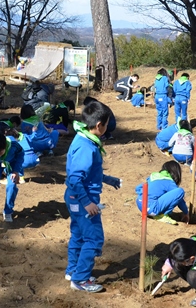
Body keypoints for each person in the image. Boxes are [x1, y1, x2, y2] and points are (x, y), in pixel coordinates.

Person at [64, 100, 122, 293]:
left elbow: (89, 173)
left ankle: (73, 270)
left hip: (75, 198)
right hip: (83, 199)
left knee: (79, 235)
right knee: (94, 239)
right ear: (99, 125)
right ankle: (80, 279)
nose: (106, 128)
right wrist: (87, 202)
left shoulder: (83, 138)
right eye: (106, 124)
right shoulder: (87, 148)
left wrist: (108, 179)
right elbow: (75, 178)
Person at [135, 160, 189, 225]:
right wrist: (186, 212)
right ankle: (160, 215)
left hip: (141, 205)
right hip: (151, 209)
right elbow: (179, 199)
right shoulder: (169, 181)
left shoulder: (153, 177)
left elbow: (138, 188)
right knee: (180, 191)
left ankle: (155, 212)